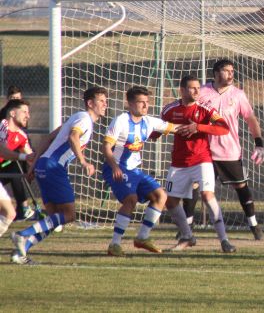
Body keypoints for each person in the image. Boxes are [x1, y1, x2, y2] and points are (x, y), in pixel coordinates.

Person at [10, 86, 108, 265]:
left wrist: (33, 166)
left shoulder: (76, 117)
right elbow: (73, 138)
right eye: (101, 100)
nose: (105, 104)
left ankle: (20, 252)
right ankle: (22, 234)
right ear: (90, 103)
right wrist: (84, 161)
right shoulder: (84, 119)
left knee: (54, 217)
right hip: (54, 167)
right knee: (69, 214)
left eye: (105, 100)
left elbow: (48, 138)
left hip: (43, 166)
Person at [103, 86, 186, 257]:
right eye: (141, 102)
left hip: (134, 170)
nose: (145, 105)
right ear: (130, 104)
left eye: (147, 102)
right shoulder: (121, 121)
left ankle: (142, 237)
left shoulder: (149, 121)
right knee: (131, 199)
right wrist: (115, 167)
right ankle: (115, 244)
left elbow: (175, 127)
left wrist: (199, 127)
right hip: (116, 167)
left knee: (160, 196)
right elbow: (106, 147)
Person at [160, 75, 236, 253]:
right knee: (170, 202)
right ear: (182, 90)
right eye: (192, 88)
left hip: (201, 160)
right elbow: (157, 130)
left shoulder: (205, 109)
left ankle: (224, 240)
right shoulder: (169, 109)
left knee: (207, 195)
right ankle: (187, 236)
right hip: (178, 163)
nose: (197, 92)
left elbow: (224, 128)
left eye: (198, 88)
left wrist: (199, 127)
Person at [196, 59, 264, 241]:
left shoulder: (238, 94)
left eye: (232, 71)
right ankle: (186, 230)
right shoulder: (202, 92)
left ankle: (254, 225)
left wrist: (259, 144)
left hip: (229, 151)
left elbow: (250, 119)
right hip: (204, 151)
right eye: (226, 71)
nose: (231, 74)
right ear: (216, 73)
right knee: (195, 186)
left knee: (241, 186)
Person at [0, 99, 35, 221]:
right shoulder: (2, 125)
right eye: (24, 112)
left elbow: (31, 156)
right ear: (13, 114)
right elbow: (2, 151)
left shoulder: (21, 135)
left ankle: (24, 208)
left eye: (28, 112)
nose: (28, 116)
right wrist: (24, 157)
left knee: (9, 213)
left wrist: (36, 169)